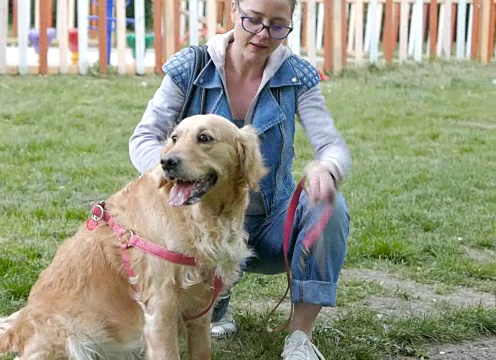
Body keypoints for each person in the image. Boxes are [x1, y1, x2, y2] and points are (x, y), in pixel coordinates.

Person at [129, 0, 351, 358]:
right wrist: (164, 170)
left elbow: (332, 145)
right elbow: (144, 137)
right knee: (190, 308)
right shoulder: (192, 67)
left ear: (290, 24)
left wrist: (327, 168)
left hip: (267, 224)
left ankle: (299, 339)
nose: (263, 34)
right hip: (195, 224)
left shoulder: (297, 76)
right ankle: (217, 292)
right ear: (233, 12)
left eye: (277, 25)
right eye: (253, 20)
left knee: (330, 206)